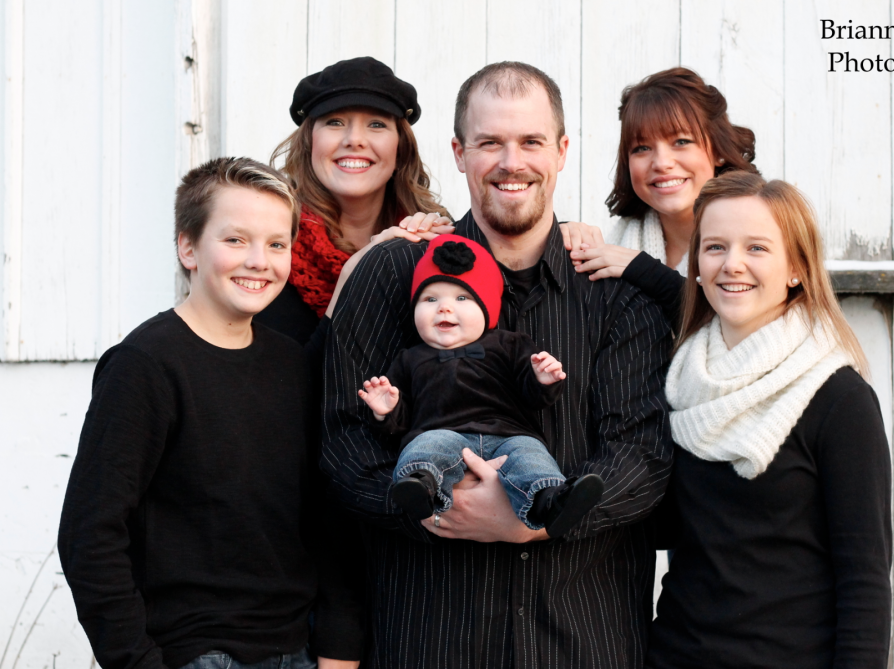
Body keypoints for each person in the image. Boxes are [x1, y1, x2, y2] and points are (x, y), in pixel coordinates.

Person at [322, 62, 673, 668]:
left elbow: (641, 456)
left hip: (584, 639)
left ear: (562, 152)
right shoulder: (391, 276)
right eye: (490, 143)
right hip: (430, 637)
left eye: (532, 141)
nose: (512, 162)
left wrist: (536, 525)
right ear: (459, 153)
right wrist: (435, 511)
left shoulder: (615, 292)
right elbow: (343, 440)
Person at [58, 158, 362, 669]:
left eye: (275, 244)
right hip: (195, 653)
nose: (259, 261)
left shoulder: (292, 363)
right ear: (188, 247)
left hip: (295, 649)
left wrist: (338, 646)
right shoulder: (145, 365)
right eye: (235, 240)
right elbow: (90, 532)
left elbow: (325, 516)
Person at [647, 171, 892, 668]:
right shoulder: (678, 382)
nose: (732, 264)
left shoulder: (838, 398)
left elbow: (865, 579)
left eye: (757, 248)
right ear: (696, 264)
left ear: (796, 269)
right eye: (715, 247)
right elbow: (659, 530)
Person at [358, 234, 604, 535]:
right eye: (430, 299)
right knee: (426, 447)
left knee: (532, 457)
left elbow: (533, 396)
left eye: (462, 298)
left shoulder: (510, 345)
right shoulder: (410, 359)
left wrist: (542, 378)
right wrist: (387, 410)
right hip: (443, 431)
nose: (444, 308)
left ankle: (549, 500)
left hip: (510, 435)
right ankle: (421, 488)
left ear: (487, 308)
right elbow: (403, 420)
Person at [255, 56, 452, 345]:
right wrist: (356, 276)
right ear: (309, 142)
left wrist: (442, 252)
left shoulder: (430, 246)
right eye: (335, 122)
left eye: (376, 124)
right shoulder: (266, 250)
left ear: (400, 148)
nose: (355, 140)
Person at [561, 67, 757, 326]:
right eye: (642, 148)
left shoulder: (761, 229)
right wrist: (557, 240)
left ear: (719, 149)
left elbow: (735, 321)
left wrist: (643, 271)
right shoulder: (620, 241)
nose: (662, 163)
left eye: (681, 141)